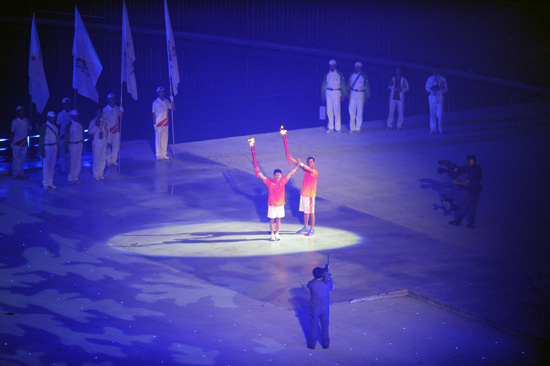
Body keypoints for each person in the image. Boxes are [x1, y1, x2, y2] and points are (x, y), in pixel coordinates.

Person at [256, 161, 300, 241]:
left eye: (279, 175)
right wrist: (257, 171)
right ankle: (272, 234)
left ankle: (277, 233)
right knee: (272, 220)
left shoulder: (283, 181)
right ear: (274, 175)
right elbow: (262, 177)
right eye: (276, 175)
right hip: (272, 204)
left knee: (279, 219)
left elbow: (290, 173)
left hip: (280, 205)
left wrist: (297, 166)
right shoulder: (270, 182)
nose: (278, 176)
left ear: (281, 175)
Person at [449, 155, 482, 228]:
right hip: (476, 192)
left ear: (471, 161)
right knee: (472, 208)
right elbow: (469, 178)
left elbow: (467, 182)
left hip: (471, 192)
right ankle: (472, 223)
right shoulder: (477, 168)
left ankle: (458, 222)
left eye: (467, 161)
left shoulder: (473, 170)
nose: (466, 162)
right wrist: (459, 179)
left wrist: (456, 182)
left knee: (464, 206)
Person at [289, 155, 318, 236]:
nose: (310, 163)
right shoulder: (306, 170)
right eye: (308, 162)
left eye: (311, 162)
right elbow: (297, 164)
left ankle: (312, 229)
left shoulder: (314, 172)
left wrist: (300, 163)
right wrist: (289, 157)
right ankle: (306, 227)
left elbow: (304, 166)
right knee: (306, 212)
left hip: (310, 196)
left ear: (314, 163)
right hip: (304, 194)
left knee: (311, 212)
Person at [307, 266, 334, 350]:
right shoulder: (326, 283)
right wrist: (327, 276)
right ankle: (326, 343)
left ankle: (312, 344)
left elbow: (310, 285)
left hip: (315, 308)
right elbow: (332, 287)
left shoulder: (311, 284)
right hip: (325, 308)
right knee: (325, 325)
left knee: (314, 325)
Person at [321, 60, 347, 134]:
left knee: (337, 109)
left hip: (337, 92)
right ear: (329, 66)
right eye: (331, 66)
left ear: (335, 66)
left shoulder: (339, 74)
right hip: (328, 92)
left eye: (333, 65)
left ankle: (338, 127)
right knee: (329, 110)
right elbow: (323, 85)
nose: (332, 67)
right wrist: (323, 95)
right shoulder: (327, 74)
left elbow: (342, 84)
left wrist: (343, 94)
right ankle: (330, 126)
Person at [151, 87, 175, 160]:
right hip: (158, 123)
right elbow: (153, 114)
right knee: (158, 139)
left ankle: (164, 154)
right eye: (160, 92)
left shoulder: (167, 101)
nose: (162, 93)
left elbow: (173, 108)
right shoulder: (155, 103)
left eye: (163, 92)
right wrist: (154, 124)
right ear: (157, 93)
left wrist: (172, 100)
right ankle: (158, 154)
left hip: (165, 123)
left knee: (164, 139)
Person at [348, 62, 370, 134]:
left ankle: (358, 128)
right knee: (351, 110)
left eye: (359, 67)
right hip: (353, 93)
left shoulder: (364, 75)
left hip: (361, 93)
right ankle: (352, 127)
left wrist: (366, 96)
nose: (357, 68)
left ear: (361, 68)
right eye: (356, 67)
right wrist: (347, 93)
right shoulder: (351, 74)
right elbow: (349, 84)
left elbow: (366, 86)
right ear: (354, 67)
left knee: (359, 111)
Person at [39, 111, 59, 190]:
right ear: (48, 117)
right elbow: (41, 140)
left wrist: (58, 150)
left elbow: (57, 140)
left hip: (54, 147)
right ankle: (45, 183)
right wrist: (41, 150)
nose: (54, 118)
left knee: (52, 166)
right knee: (46, 166)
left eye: (54, 117)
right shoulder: (44, 127)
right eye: (52, 117)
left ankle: (50, 182)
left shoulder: (55, 127)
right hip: (46, 148)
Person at [88, 107, 109, 180]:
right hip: (96, 143)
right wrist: (95, 126)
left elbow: (107, 132)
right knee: (96, 159)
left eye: (101, 112)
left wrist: (108, 141)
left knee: (103, 159)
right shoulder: (93, 121)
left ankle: (101, 173)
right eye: (98, 112)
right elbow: (90, 132)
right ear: (96, 112)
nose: (100, 113)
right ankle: (96, 174)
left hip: (103, 142)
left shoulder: (105, 121)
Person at [425, 66, 448, 134]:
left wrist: (439, 90)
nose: (436, 72)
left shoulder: (442, 79)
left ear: (439, 71)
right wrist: (432, 89)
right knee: (432, 114)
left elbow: (446, 89)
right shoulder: (429, 79)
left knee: (440, 114)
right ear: (433, 71)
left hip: (439, 97)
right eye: (434, 70)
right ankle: (433, 129)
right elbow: (426, 88)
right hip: (432, 97)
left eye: (437, 70)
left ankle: (440, 128)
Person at [64, 110, 84, 184]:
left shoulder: (80, 125)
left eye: (77, 115)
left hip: (79, 144)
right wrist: (66, 146)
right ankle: (70, 178)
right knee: (72, 162)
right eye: (75, 116)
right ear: (72, 116)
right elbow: (66, 136)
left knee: (78, 162)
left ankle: (76, 177)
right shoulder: (69, 125)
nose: (77, 117)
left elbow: (82, 135)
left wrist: (83, 145)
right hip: (72, 145)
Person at [103, 93, 124, 166]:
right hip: (108, 131)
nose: (113, 100)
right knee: (108, 146)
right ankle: (108, 160)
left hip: (116, 130)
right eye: (111, 98)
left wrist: (122, 112)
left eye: (114, 98)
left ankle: (114, 160)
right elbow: (104, 122)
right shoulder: (105, 110)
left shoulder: (117, 108)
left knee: (116, 145)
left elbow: (120, 118)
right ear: (108, 100)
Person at [10, 106, 31, 179]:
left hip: (24, 143)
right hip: (16, 143)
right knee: (16, 159)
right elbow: (12, 133)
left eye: (22, 111)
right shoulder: (14, 122)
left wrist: (30, 128)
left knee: (23, 159)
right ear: (17, 112)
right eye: (19, 111)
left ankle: (21, 173)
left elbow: (28, 131)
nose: (21, 112)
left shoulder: (27, 120)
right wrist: (11, 142)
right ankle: (15, 173)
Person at [57, 97, 72, 173]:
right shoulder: (60, 114)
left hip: (71, 137)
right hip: (63, 136)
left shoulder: (72, 113)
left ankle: (70, 168)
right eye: (65, 104)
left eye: (68, 103)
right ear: (63, 105)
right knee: (62, 154)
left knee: (70, 154)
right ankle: (63, 169)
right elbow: (58, 126)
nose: (67, 105)